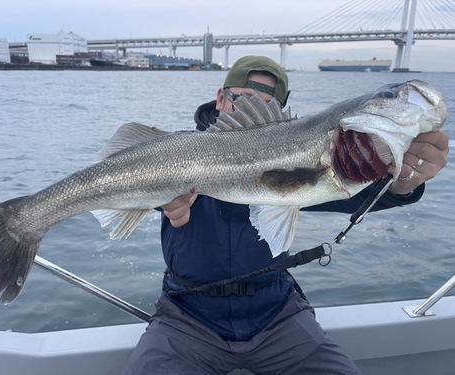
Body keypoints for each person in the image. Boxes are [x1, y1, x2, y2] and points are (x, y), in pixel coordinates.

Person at [124, 56, 449, 375]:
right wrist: (160, 198)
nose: (253, 113)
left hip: (277, 314)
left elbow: (356, 196)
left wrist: (404, 181)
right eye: (243, 100)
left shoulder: (299, 163)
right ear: (221, 98)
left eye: (267, 106)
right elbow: (128, 181)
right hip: (186, 316)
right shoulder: (177, 151)